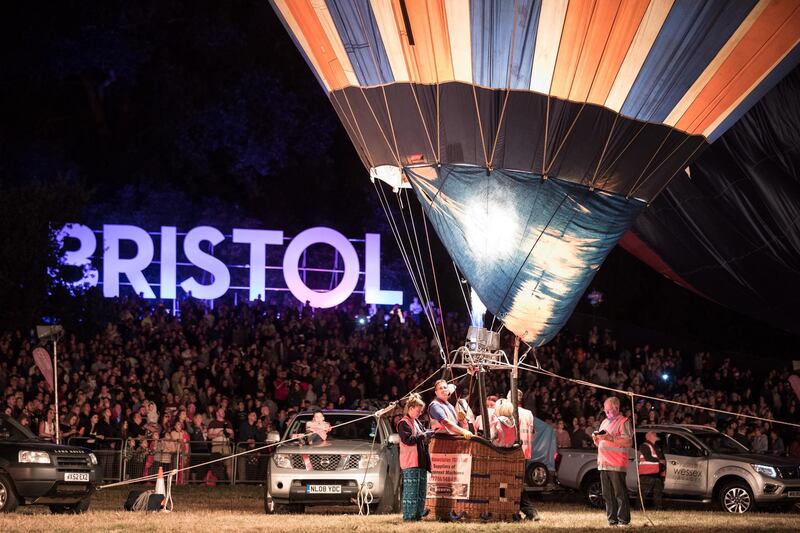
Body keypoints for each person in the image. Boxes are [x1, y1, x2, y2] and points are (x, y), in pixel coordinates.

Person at [593, 396, 633, 527]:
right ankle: (612, 520)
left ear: (616, 408)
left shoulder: (624, 421)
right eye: (605, 410)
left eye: (608, 410)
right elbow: (602, 441)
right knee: (607, 494)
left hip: (616, 463)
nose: (606, 413)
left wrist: (610, 438)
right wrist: (596, 439)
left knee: (619, 493)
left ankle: (623, 521)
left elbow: (628, 442)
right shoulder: (604, 422)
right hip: (603, 463)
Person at [397, 394, 432, 521]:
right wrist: (423, 435)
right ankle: (409, 516)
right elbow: (408, 440)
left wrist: (427, 435)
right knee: (411, 491)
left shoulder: (416, 422)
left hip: (421, 461)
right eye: (418, 411)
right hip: (411, 461)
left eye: (420, 411)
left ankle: (418, 515)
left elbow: (420, 437)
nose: (419, 413)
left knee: (420, 491)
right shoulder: (403, 423)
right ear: (410, 408)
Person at [511, 389, 540, 522]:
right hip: (525, 451)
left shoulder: (510, 413)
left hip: (513, 451)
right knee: (518, 482)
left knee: (515, 483)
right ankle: (519, 510)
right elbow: (532, 432)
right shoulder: (529, 413)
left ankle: (530, 511)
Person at [637, 431, 665, 510]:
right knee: (643, 493)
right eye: (654, 433)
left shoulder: (656, 446)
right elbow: (648, 457)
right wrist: (659, 461)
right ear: (648, 436)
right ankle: (639, 508)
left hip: (656, 473)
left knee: (658, 493)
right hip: (647, 473)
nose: (656, 434)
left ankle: (658, 509)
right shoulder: (644, 446)